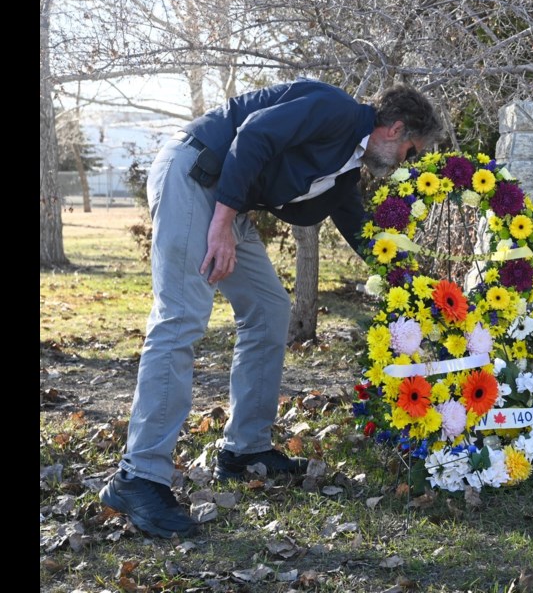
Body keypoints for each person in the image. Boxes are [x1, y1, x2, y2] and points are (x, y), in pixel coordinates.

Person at [99, 79, 442, 538]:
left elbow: (362, 230)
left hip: (227, 199)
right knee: (181, 318)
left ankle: (244, 451)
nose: (408, 162)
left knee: (269, 309)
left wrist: (416, 285)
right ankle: (139, 477)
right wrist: (222, 223)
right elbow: (255, 135)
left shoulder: (344, 168)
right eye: (412, 151)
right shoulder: (336, 110)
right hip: (196, 176)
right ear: (395, 129)